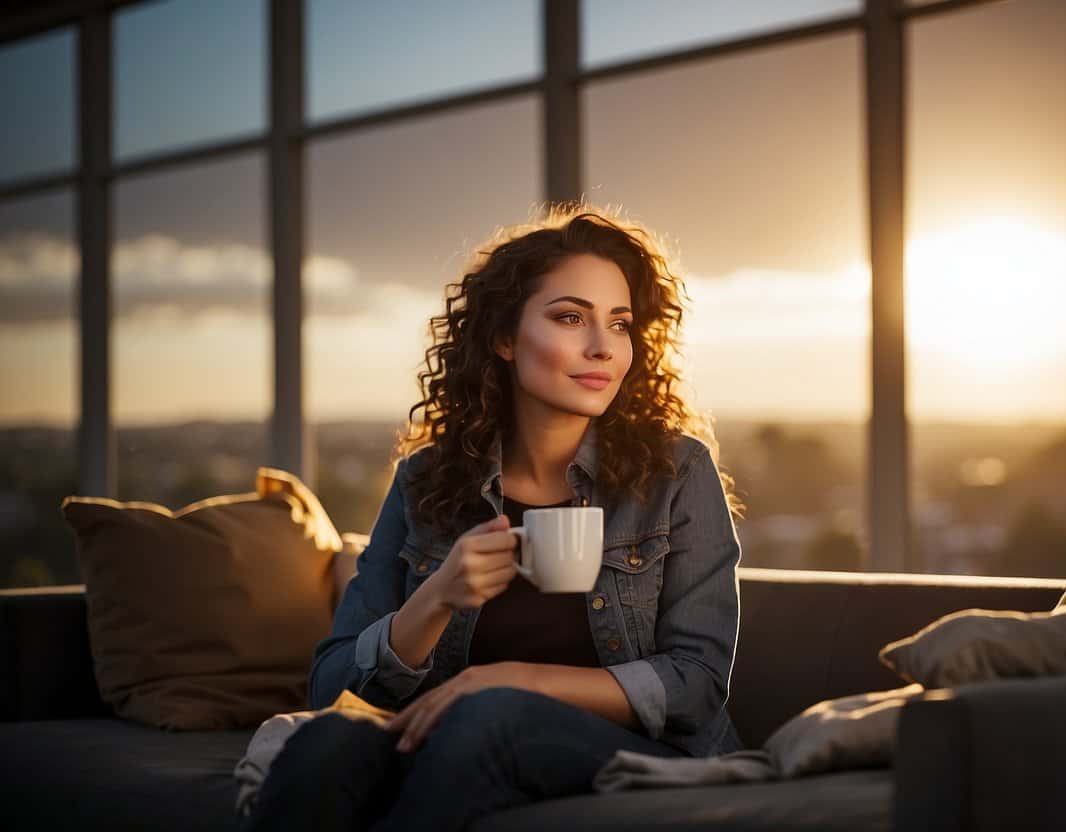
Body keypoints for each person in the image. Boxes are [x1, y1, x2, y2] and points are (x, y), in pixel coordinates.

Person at [245, 206, 745, 831]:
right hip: (462, 742)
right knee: (324, 744)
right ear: (505, 337)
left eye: (620, 325)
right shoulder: (427, 479)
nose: (602, 348)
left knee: (489, 716)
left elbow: (695, 685)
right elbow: (333, 689)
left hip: (641, 756)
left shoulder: (676, 471)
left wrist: (507, 681)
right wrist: (435, 598)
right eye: (570, 318)